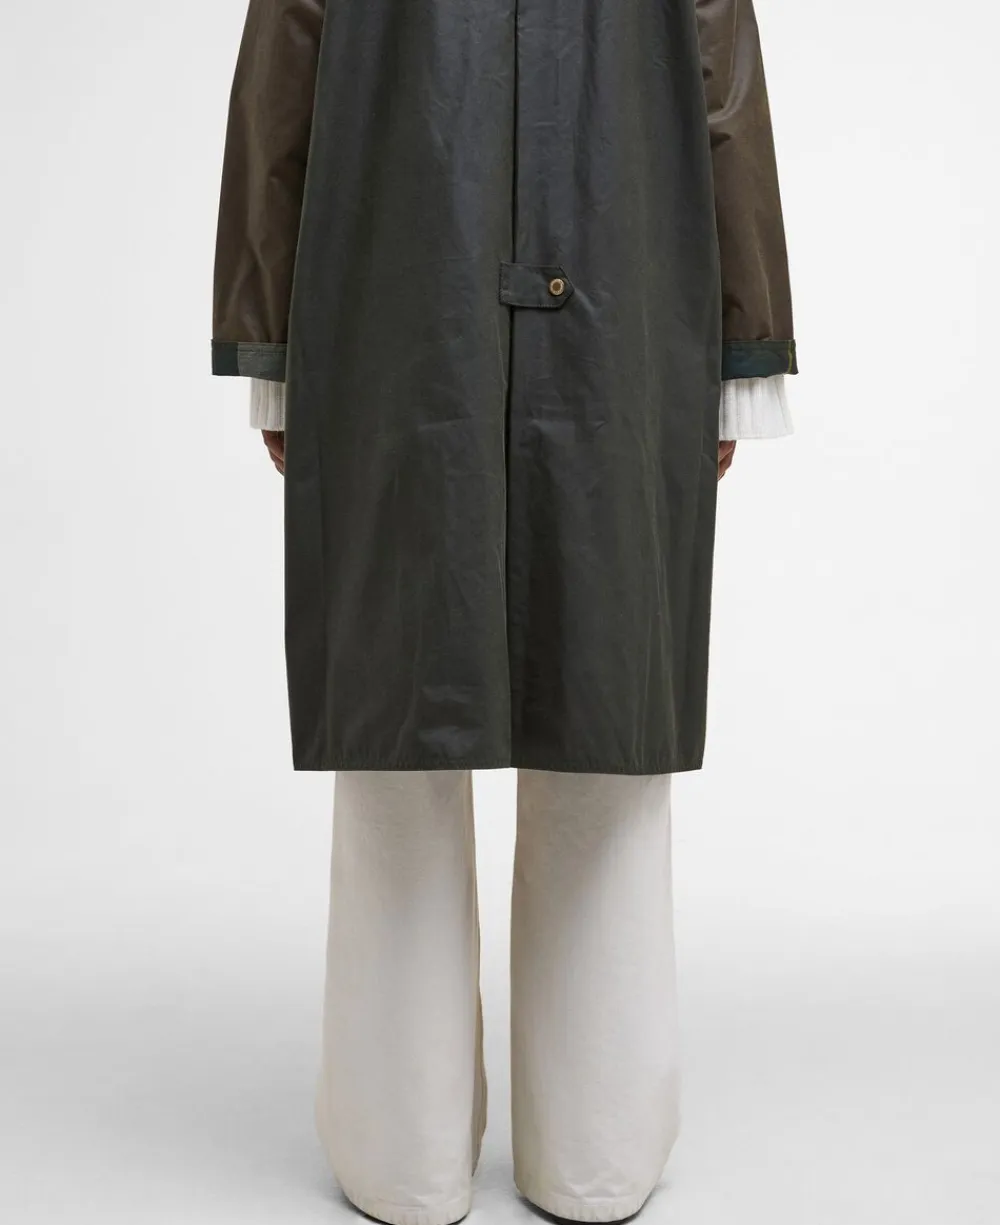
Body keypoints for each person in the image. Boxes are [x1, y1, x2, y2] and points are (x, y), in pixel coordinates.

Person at [211, 2, 796, 1222]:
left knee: (553, 721)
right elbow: (724, 96)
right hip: (581, 320)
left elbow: (281, 86)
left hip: (411, 320)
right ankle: (579, 1145)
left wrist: (273, 348)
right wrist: (739, 350)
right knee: (436, 723)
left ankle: (414, 1148)